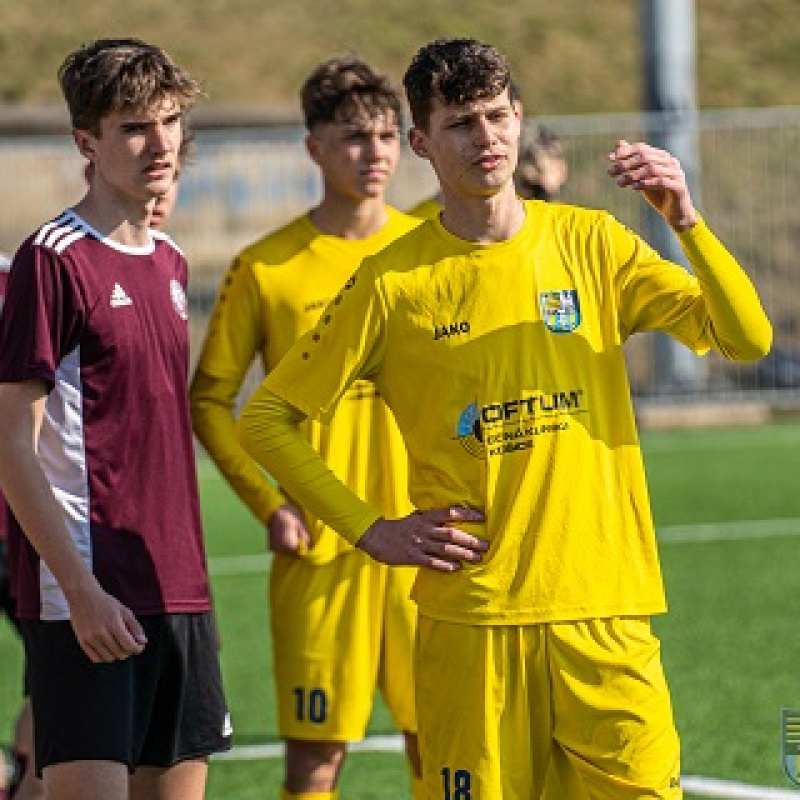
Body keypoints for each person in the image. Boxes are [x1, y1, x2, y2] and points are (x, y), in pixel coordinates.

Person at [236, 37, 773, 800]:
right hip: (472, 622)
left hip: (605, 611)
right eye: (460, 123)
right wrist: (370, 529)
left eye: (497, 116)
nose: (485, 138)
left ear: (518, 118)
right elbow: (268, 419)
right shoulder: (392, 283)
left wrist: (686, 220)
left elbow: (746, 337)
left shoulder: (592, 242)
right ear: (421, 142)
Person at [0, 38, 231, 800]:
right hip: (89, 598)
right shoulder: (54, 259)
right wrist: (79, 586)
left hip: (182, 593)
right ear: (86, 142)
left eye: (168, 121)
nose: (159, 142)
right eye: (133, 126)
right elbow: (11, 444)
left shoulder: (169, 260)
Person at [190, 56, 422, 800]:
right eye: (354, 136)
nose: (375, 153)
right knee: (315, 764)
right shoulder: (267, 267)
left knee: (446, 742)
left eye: (388, 135)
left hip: (425, 545)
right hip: (323, 552)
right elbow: (208, 400)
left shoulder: (430, 250)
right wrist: (272, 505)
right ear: (313, 147)